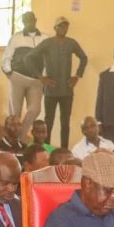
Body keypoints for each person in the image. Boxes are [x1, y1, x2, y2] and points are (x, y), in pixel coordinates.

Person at [27, 17, 88, 149]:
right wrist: (41, 77)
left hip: (67, 90)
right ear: (55, 28)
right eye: (60, 26)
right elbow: (29, 58)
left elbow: (84, 57)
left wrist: (77, 76)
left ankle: (64, 150)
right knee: (48, 122)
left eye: (66, 27)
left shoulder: (71, 43)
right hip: (51, 90)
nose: (63, 29)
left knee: (65, 123)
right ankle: (47, 149)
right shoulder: (47, 43)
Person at [2, 11, 46, 141]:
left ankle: (20, 139)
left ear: (35, 20)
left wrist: (44, 76)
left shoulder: (44, 38)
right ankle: (11, 140)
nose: (28, 23)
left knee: (35, 110)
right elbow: (7, 56)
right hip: (18, 77)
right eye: (25, 21)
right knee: (14, 112)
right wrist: (9, 72)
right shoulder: (16, 37)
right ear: (23, 23)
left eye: (30, 20)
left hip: (36, 81)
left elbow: (47, 59)